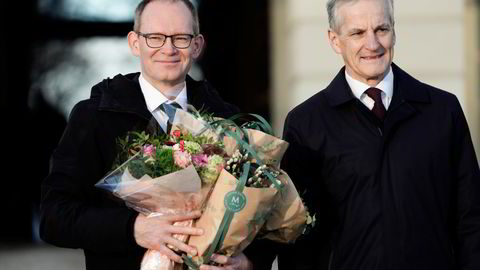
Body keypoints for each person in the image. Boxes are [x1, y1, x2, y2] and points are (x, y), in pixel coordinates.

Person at [246, 0, 480, 269]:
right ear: (335, 40)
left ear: (394, 31)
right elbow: (293, 228)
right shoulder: (306, 123)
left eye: (381, 29)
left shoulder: (442, 111)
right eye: (357, 33)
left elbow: (470, 218)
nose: (373, 44)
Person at [40, 1, 251, 269]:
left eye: (181, 38)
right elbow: (54, 217)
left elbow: (261, 215)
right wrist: (133, 228)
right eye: (155, 37)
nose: (169, 48)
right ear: (134, 43)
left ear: (197, 45)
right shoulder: (94, 117)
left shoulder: (229, 121)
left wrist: (248, 262)